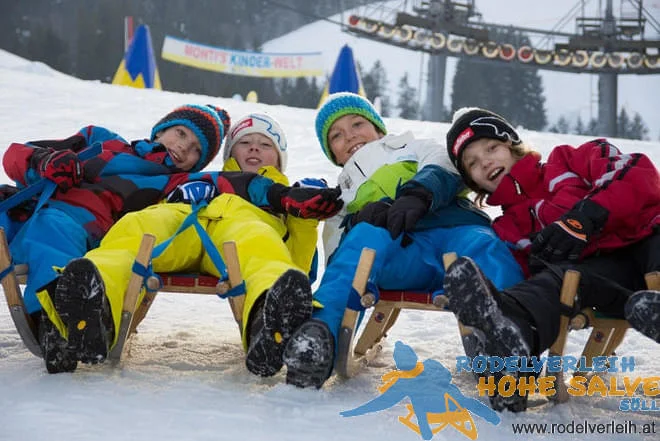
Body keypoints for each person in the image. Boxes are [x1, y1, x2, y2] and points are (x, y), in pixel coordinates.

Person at [53, 112, 342, 378]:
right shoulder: (200, 179)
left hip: (238, 232)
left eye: (265, 144)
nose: (254, 148)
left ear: (279, 159)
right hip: (184, 218)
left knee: (260, 244)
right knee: (138, 229)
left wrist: (305, 218)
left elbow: (296, 264)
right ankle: (94, 297)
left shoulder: (284, 196)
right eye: (245, 143)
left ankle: (266, 318)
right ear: (231, 154)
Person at [281, 92, 524, 390]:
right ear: (332, 153)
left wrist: (419, 194)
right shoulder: (341, 195)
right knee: (361, 246)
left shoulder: (409, 145)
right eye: (337, 136)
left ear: (378, 128)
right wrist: (356, 221)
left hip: (452, 228)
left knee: (482, 245)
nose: (350, 136)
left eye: (357, 124)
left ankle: (506, 340)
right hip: (400, 256)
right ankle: (319, 341)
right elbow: (340, 262)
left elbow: (445, 163)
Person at [441, 107, 660, 412]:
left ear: (513, 146)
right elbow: (526, 281)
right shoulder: (509, 229)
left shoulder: (568, 160)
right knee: (551, 284)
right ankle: (511, 350)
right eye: (473, 163)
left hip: (647, 233)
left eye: (492, 148)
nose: (485, 161)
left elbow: (637, 172)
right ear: (473, 182)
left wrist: (586, 216)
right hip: (605, 278)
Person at [1, 103, 231, 360]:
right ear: (161, 130)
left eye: (196, 150)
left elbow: (231, 184)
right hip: (20, 208)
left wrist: (277, 194)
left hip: (76, 226)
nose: (184, 147)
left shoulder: (173, 182)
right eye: (181, 133)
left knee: (53, 230)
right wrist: (44, 161)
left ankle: (54, 325)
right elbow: (18, 154)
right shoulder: (98, 140)